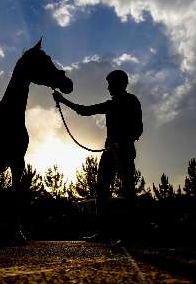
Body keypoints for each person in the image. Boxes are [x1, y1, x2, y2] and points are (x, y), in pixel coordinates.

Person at [53, 70, 143, 243]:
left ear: (119, 84)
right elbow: (85, 111)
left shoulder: (131, 101)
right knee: (101, 189)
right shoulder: (110, 105)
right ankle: (105, 232)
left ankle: (131, 233)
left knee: (128, 190)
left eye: (110, 84)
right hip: (109, 152)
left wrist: (123, 142)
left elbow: (138, 128)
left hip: (124, 151)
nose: (108, 87)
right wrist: (63, 101)